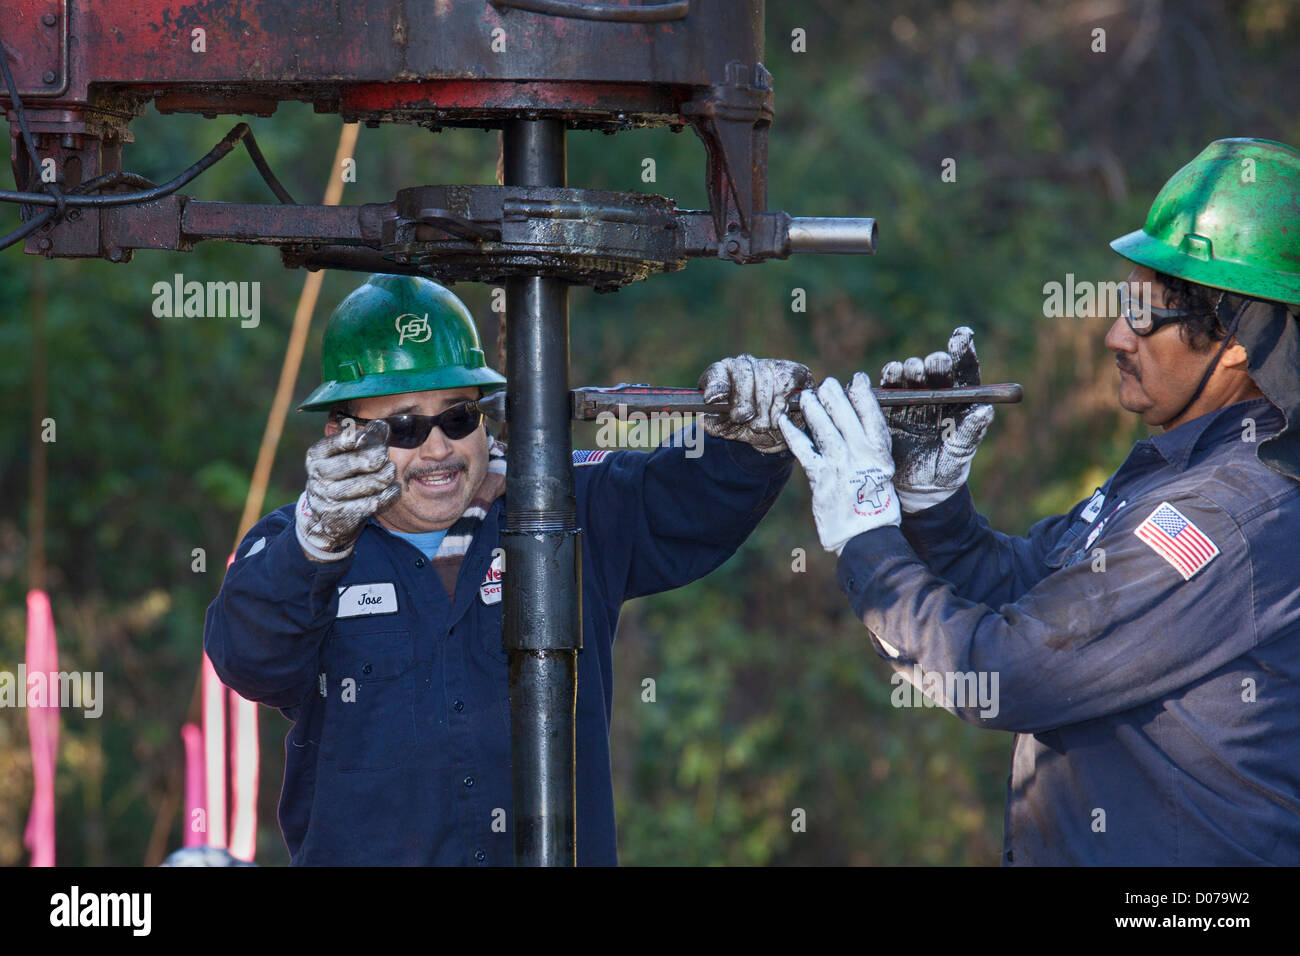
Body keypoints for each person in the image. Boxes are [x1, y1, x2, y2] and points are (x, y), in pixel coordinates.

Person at [778, 138, 1300, 865]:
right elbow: (1038, 590)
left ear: (1239, 342)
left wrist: (868, 538)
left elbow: (1006, 672)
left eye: (1146, 318)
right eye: (1124, 304)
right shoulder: (1176, 466)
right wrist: (932, 506)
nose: (1116, 335)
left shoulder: (1226, 515)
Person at [204, 273, 809, 865]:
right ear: (342, 435)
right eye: (406, 426)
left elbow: (685, 502)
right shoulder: (298, 549)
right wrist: (315, 542)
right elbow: (250, 661)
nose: (437, 449)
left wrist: (748, 442)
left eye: (457, 417)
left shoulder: (565, 506)